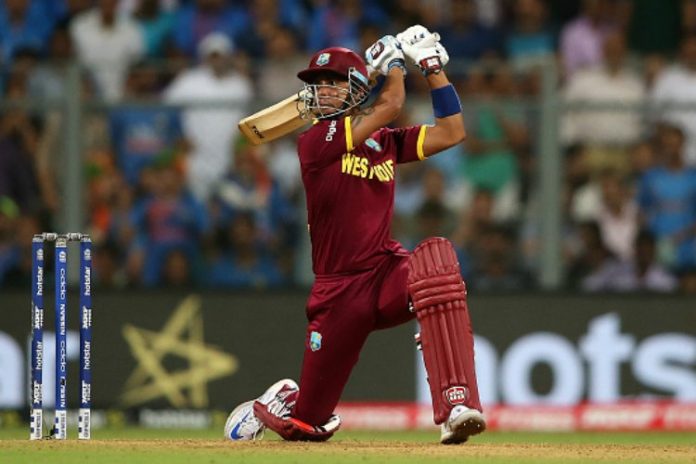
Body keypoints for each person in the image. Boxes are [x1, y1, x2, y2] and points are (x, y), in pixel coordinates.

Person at [224, 25, 485, 445]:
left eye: (335, 82)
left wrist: (433, 69)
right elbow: (392, 103)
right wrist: (395, 63)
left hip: (384, 273)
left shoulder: (384, 143)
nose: (324, 90)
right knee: (307, 427)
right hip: (337, 293)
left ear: (359, 89)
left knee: (437, 263)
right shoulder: (315, 141)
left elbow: (452, 131)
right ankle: (285, 400)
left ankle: (456, 405)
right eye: (318, 83)